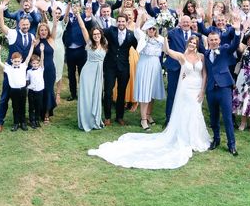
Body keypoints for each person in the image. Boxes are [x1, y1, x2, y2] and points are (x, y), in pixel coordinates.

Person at [88, 34, 211, 169]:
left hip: (197, 87)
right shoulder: (182, 57)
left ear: (197, 45)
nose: (192, 44)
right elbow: (168, 51)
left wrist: (202, 90)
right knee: (185, 111)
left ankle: (195, 137)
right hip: (186, 88)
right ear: (188, 44)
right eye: (191, 42)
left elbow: (204, 73)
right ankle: (185, 137)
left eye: (195, 43)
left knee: (196, 111)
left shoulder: (201, 57)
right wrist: (164, 36)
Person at [0, 0, 35, 133]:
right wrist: (1, 11)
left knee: (23, 97)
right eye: (23, 25)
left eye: (27, 25)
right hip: (10, 71)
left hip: (24, 72)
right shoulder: (13, 34)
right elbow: (1, 25)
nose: (25, 27)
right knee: (5, 96)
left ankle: (23, 120)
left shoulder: (31, 36)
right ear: (19, 24)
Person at [204, 12, 242, 156]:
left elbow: (235, 45)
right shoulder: (206, 54)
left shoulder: (225, 49)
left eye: (215, 39)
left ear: (219, 40)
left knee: (227, 117)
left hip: (224, 88)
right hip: (211, 89)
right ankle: (216, 139)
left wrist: (237, 30)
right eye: (211, 39)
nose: (213, 41)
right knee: (213, 117)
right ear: (208, 41)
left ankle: (231, 144)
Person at [163, 15, 204, 126]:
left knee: (186, 95)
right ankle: (169, 119)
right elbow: (166, 47)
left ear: (191, 23)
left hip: (190, 72)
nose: (186, 24)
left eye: (188, 22)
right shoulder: (172, 33)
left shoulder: (197, 36)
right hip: (175, 68)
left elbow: (203, 53)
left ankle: (184, 120)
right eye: (183, 22)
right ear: (180, 23)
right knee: (172, 93)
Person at [102, 14, 138, 126]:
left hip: (124, 67)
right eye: (119, 21)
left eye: (123, 21)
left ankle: (119, 117)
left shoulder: (131, 35)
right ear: (116, 22)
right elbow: (96, 29)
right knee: (108, 92)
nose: (121, 23)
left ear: (127, 22)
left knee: (121, 93)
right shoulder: (110, 31)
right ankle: (107, 117)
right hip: (110, 66)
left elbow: (139, 46)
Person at [75, 7, 107, 132]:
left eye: (98, 34)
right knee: (87, 96)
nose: (96, 36)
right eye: (94, 34)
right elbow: (83, 28)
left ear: (101, 35)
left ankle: (95, 120)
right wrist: (78, 14)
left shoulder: (105, 44)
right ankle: (85, 120)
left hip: (98, 73)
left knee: (96, 96)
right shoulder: (89, 43)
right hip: (88, 72)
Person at [133, 17, 166, 130]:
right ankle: (143, 119)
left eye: (153, 28)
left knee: (152, 92)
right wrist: (141, 16)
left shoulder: (161, 39)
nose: (151, 30)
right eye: (149, 28)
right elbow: (136, 28)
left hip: (155, 65)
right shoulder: (142, 37)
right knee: (145, 92)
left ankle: (148, 114)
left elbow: (166, 50)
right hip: (144, 65)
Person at [0, 43, 35, 132]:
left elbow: (29, 55)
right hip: (13, 91)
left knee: (22, 106)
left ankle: (23, 123)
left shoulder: (23, 66)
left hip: (23, 90)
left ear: (21, 60)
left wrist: (32, 45)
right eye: (15, 61)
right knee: (15, 107)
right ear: (12, 60)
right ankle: (16, 123)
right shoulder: (8, 68)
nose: (17, 63)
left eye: (18, 61)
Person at [34, 21, 58, 123]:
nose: (43, 32)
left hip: (49, 70)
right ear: (38, 32)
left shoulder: (51, 40)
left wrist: (52, 13)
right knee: (39, 90)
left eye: (45, 30)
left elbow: (55, 26)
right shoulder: (36, 42)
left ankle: (47, 113)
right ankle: (39, 111)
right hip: (39, 70)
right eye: (41, 30)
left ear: (48, 31)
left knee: (48, 90)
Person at [26, 49, 45, 129]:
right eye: (33, 63)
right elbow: (27, 80)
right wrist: (28, 87)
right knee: (32, 106)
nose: (35, 64)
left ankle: (37, 119)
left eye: (37, 63)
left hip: (40, 91)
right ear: (31, 64)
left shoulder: (41, 69)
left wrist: (41, 51)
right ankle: (32, 120)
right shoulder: (29, 71)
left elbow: (42, 59)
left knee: (38, 106)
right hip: (32, 91)